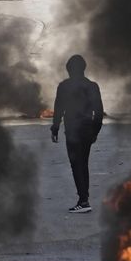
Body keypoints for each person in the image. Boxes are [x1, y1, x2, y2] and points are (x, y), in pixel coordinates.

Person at [51, 55, 104, 214]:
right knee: (83, 163)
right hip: (87, 129)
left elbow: (59, 109)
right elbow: (99, 112)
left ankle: (83, 200)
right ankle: (84, 198)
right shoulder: (92, 86)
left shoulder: (64, 86)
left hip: (73, 129)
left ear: (68, 69)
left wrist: (55, 128)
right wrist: (95, 131)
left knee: (76, 165)